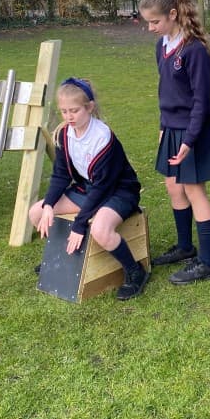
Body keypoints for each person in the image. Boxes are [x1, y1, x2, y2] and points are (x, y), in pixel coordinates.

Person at [29, 77, 149, 301]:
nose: (68, 117)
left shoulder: (102, 138)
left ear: (90, 108)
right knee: (36, 212)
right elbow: (61, 174)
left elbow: (103, 188)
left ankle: (135, 271)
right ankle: (61, 258)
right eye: (64, 111)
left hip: (118, 191)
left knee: (100, 230)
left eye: (74, 111)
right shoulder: (65, 134)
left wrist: (80, 223)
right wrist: (48, 205)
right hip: (89, 189)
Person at [138, 0, 210, 285]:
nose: (151, 28)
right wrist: (164, 129)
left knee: (194, 191)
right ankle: (186, 247)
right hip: (171, 130)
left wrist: (188, 140)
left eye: (155, 22)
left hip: (193, 132)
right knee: (174, 188)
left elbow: (201, 103)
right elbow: (166, 95)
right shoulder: (161, 47)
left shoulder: (195, 51)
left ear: (173, 14)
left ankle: (207, 262)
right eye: (147, 22)